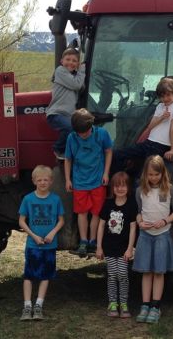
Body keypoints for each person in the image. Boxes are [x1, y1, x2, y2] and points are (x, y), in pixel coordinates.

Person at [133, 155, 173, 324]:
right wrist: (140, 222)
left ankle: (155, 306)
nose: (153, 178)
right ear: (145, 174)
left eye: (156, 174)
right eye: (150, 175)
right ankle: (145, 305)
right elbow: (138, 212)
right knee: (146, 271)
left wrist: (165, 221)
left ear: (162, 173)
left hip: (162, 234)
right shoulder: (140, 191)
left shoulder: (169, 189)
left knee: (159, 272)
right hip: (145, 236)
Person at [18, 165, 65, 321]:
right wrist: (34, 236)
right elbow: (22, 221)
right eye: (39, 180)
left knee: (46, 275)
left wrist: (52, 233)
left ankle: (38, 305)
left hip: (49, 245)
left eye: (45, 180)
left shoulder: (56, 199)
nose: (43, 182)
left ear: (51, 181)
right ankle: (27, 306)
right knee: (29, 275)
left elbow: (61, 220)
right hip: (33, 245)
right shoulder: (28, 199)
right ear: (34, 181)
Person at [111, 77, 173, 175]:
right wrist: (161, 117)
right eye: (162, 96)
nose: (165, 99)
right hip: (148, 143)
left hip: (160, 146)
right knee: (117, 154)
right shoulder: (160, 106)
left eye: (168, 95)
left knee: (143, 174)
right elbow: (150, 126)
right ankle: (117, 180)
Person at [65, 108, 113, 257]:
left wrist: (106, 173)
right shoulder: (72, 138)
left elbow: (108, 151)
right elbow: (68, 159)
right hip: (80, 182)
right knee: (82, 212)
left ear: (91, 125)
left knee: (96, 212)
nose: (83, 135)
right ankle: (83, 241)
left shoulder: (102, 134)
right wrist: (68, 179)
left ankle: (93, 240)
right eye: (80, 133)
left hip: (98, 181)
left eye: (85, 132)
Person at [96, 171, 138, 318]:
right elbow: (101, 225)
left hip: (123, 248)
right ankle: (113, 303)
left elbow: (133, 228)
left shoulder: (131, 205)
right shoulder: (108, 204)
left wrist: (130, 248)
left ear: (128, 187)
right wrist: (99, 247)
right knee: (112, 275)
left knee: (123, 274)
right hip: (109, 247)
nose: (120, 189)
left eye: (123, 185)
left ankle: (124, 304)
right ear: (112, 188)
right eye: (117, 186)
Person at [46, 48, 86, 160]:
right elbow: (77, 85)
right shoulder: (60, 71)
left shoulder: (73, 76)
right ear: (61, 61)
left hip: (68, 115)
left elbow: (81, 87)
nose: (71, 62)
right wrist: (82, 70)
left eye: (74, 61)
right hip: (56, 113)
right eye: (68, 59)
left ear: (77, 63)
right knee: (71, 127)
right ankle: (58, 148)